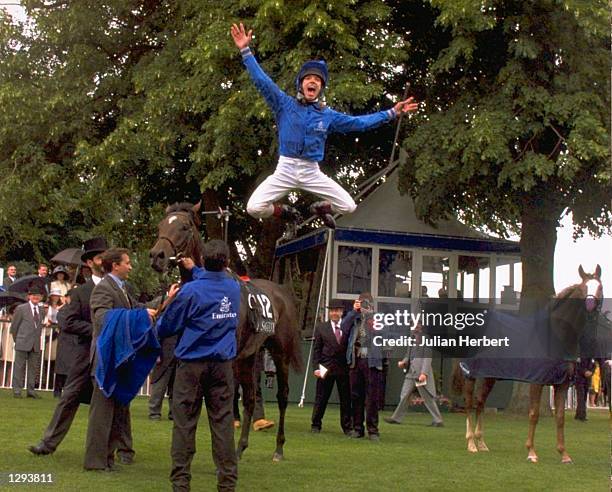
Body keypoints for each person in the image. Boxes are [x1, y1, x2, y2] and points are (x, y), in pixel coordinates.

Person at [230, 22, 419, 229]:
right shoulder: (284, 104)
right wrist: (245, 50)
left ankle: (321, 208)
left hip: (311, 171)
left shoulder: (327, 115)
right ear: (301, 84)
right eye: (309, 78)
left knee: (348, 206)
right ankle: (285, 212)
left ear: (320, 88)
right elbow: (262, 82)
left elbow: (359, 123)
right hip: (286, 169)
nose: (313, 81)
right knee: (254, 207)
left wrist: (392, 112)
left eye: (317, 80)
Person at [28, 238, 134, 460]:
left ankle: (125, 449)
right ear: (89, 262)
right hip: (85, 354)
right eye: (99, 257)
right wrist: (96, 331)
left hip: (110, 355)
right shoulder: (81, 292)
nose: (103, 259)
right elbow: (67, 321)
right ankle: (48, 443)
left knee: (119, 400)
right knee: (69, 397)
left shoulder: (121, 288)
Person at [156, 241, 240, 492]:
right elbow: (214, 279)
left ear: (203, 259)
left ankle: (181, 483)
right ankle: (227, 483)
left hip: (191, 366)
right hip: (222, 366)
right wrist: (195, 268)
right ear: (226, 263)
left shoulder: (190, 292)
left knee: (184, 424)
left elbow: (167, 327)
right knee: (223, 424)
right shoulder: (233, 288)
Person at [84, 247, 157, 471]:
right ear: (115, 265)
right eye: (127, 262)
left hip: (118, 359)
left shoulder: (122, 288)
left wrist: (168, 297)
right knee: (102, 413)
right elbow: (102, 319)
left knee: (115, 413)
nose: (131, 266)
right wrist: (139, 316)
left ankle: (108, 458)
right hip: (105, 360)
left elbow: (139, 308)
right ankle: (95, 462)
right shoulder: (104, 288)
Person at [384, 324, 444, 427]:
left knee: (427, 397)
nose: (415, 329)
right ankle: (396, 418)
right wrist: (403, 362)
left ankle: (438, 420)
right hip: (410, 372)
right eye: (413, 326)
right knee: (404, 395)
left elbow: (427, 358)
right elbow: (408, 355)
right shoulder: (411, 339)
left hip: (420, 373)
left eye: (417, 327)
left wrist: (424, 373)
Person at [342, 293, 383, 441]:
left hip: (371, 361)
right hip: (356, 359)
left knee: (372, 397)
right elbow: (343, 327)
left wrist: (370, 316)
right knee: (356, 395)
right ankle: (358, 428)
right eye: (362, 303)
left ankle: (373, 430)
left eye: (366, 303)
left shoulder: (377, 318)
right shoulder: (354, 318)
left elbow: (382, 333)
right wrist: (354, 311)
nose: (364, 306)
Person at [311, 299, 351, 435]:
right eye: (332, 311)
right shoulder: (321, 327)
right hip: (325, 367)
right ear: (329, 312)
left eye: (337, 310)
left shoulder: (347, 327)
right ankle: (316, 424)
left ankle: (347, 427)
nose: (334, 313)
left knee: (346, 400)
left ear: (342, 312)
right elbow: (316, 350)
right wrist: (316, 368)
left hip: (343, 368)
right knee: (321, 398)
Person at [10, 284, 46, 398]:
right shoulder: (21, 308)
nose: (36, 297)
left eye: (38, 295)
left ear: (41, 297)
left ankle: (31, 390)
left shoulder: (41, 310)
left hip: (35, 344)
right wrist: (18, 339)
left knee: (33, 368)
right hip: (22, 342)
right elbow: (14, 327)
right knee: (19, 367)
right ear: (29, 296)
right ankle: (17, 390)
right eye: (33, 295)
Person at [44, 288, 67, 397]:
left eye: (57, 295)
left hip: (58, 334)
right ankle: (46, 382)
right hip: (49, 334)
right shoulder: (46, 307)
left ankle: (55, 385)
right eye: (53, 295)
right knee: (47, 358)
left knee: (56, 360)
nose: (55, 297)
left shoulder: (63, 307)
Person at [574, 357, 594, 421]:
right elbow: (577, 366)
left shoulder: (591, 356)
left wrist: (591, 372)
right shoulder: (579, 354)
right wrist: (584, 372)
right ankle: (582, 415)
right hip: (579, 378)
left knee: (584, 397)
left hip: (587, 379)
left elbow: (594, 365)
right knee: (581, 397)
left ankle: (578, 414)